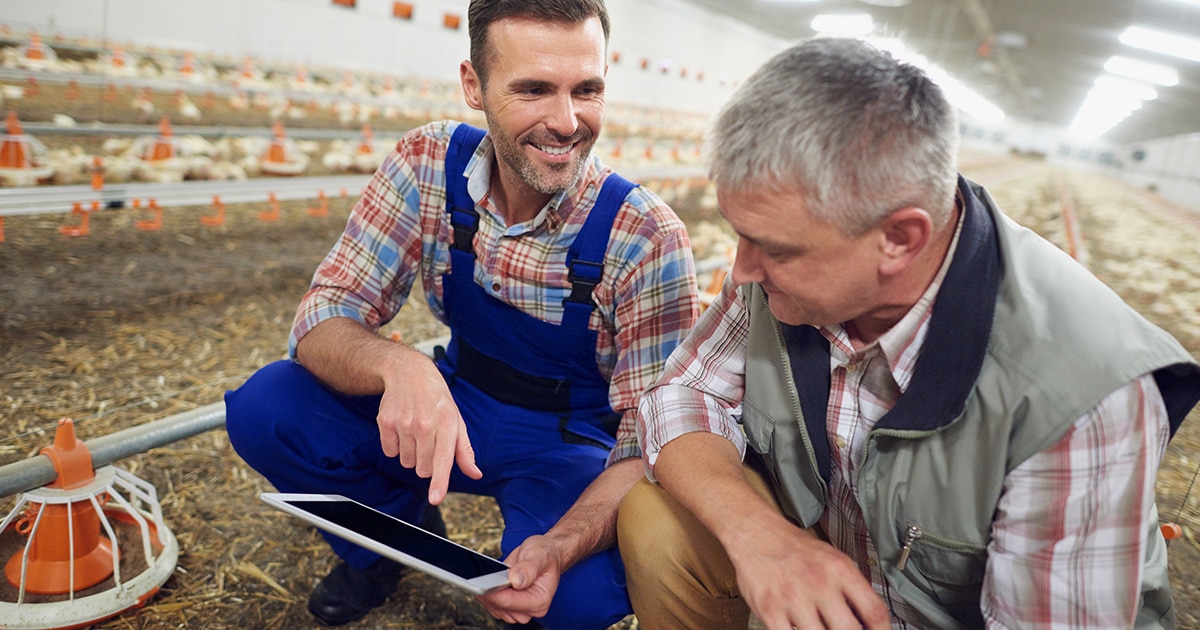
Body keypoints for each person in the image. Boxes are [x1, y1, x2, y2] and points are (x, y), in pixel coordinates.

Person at [617, 36, 1200, 630]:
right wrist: (757, 534)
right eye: (739, 233)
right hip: (838, 582)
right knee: (660, 521)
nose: (741, 270)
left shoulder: (1078, 389)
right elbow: (683, 393)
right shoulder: (780, 285)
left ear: (899, 239)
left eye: (774, 248)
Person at [224, 1, 699, 627]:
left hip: (569, 441)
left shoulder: (645, 236)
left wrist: (563, 543)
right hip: (457, 398)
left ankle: (540, 557)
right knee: (271, 409)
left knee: (572, 597)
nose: (566, 121)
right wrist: (399, 367)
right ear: (473, 86)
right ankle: (383, 547)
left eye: (587, 90)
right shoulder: (428, 165)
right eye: (533, 89)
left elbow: (655, 445)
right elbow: (324, 315)